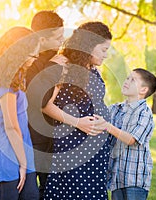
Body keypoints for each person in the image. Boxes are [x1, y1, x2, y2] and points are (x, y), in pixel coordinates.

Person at [42, 21, 112, 199]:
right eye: (104, 49)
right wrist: (78, 123)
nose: (106, 55)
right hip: (71, 148)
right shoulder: (63, 65)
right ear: (89, 45)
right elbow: (45, 105)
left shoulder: (93, 69)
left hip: (96, 151)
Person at [0, 26, 40, 200]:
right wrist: (22, 163)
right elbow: (11, 126)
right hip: (5, 151)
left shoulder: (14, 75)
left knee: (30, 195)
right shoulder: (3, 80)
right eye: (32, 56)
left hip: (20, 147)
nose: (34, 60)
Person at [95, 68, 156, 200]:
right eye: (127, 78)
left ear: (143, 90)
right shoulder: (116, 108)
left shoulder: (144, 113)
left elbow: (130, 139)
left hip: (134, 179)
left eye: (132, 80)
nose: (126, 81)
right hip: (116, 177)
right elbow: (98, 116)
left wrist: (107, 126)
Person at [25, 10, 66, 200]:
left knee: (50, 191)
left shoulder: (57, 56)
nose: (62, 40)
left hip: (55, 138)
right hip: (34, 139)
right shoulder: (30, 64)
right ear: (42, 39)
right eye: (58, 36)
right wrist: (54, 67)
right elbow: (40, 100)